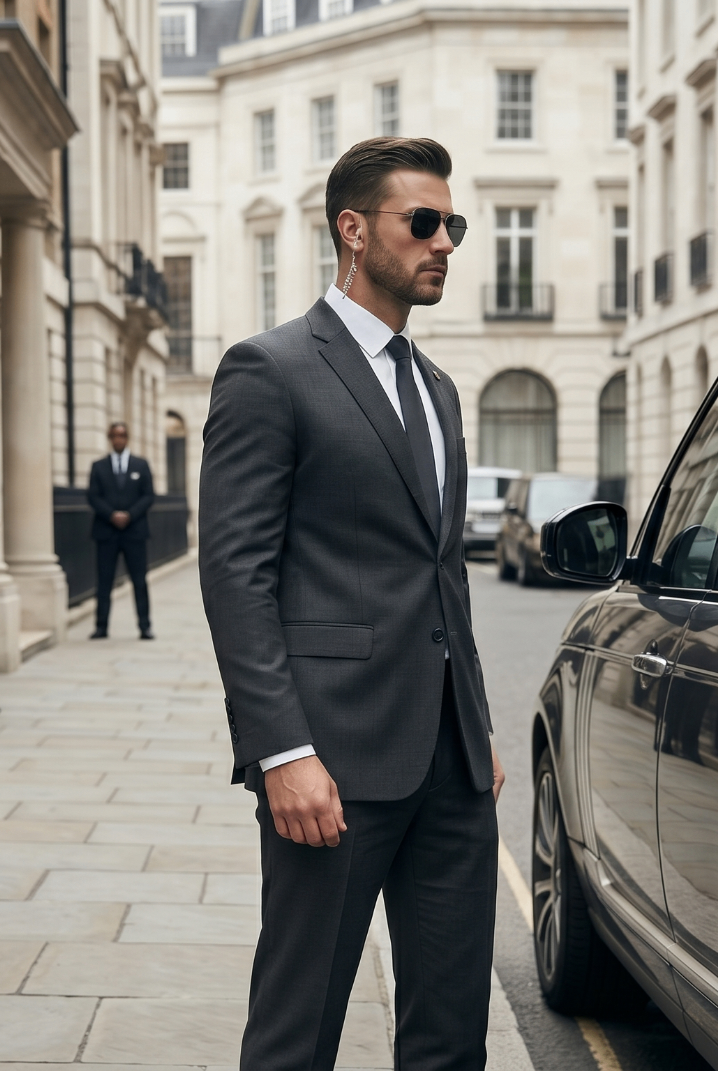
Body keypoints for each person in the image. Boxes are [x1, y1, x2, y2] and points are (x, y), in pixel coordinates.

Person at [199, 136, 502, 1071]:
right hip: (329, 760)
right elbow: (236, 573)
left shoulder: (438, 388)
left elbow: (442, 572)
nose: (443, 241)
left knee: (452, 1034)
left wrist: (476, 726)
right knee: (298, 1030)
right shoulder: (271, 369)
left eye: (452, 224)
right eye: (424, 222)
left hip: (451, 765)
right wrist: (282, 750)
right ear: (354, 230)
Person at [86, 422, 156, 640]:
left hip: (134, 532)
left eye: (122, 435)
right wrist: (112, 515)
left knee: (139, 580)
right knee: (104, 581)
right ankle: (101, 626)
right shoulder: (98, 466)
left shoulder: (141, 465)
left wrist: (129, 515)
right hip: (106, 532)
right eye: (115, 435)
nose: (118, 439)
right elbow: (93, 496)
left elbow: (148, 495)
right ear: (110, 438)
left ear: (127, 438)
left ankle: (144, 626)